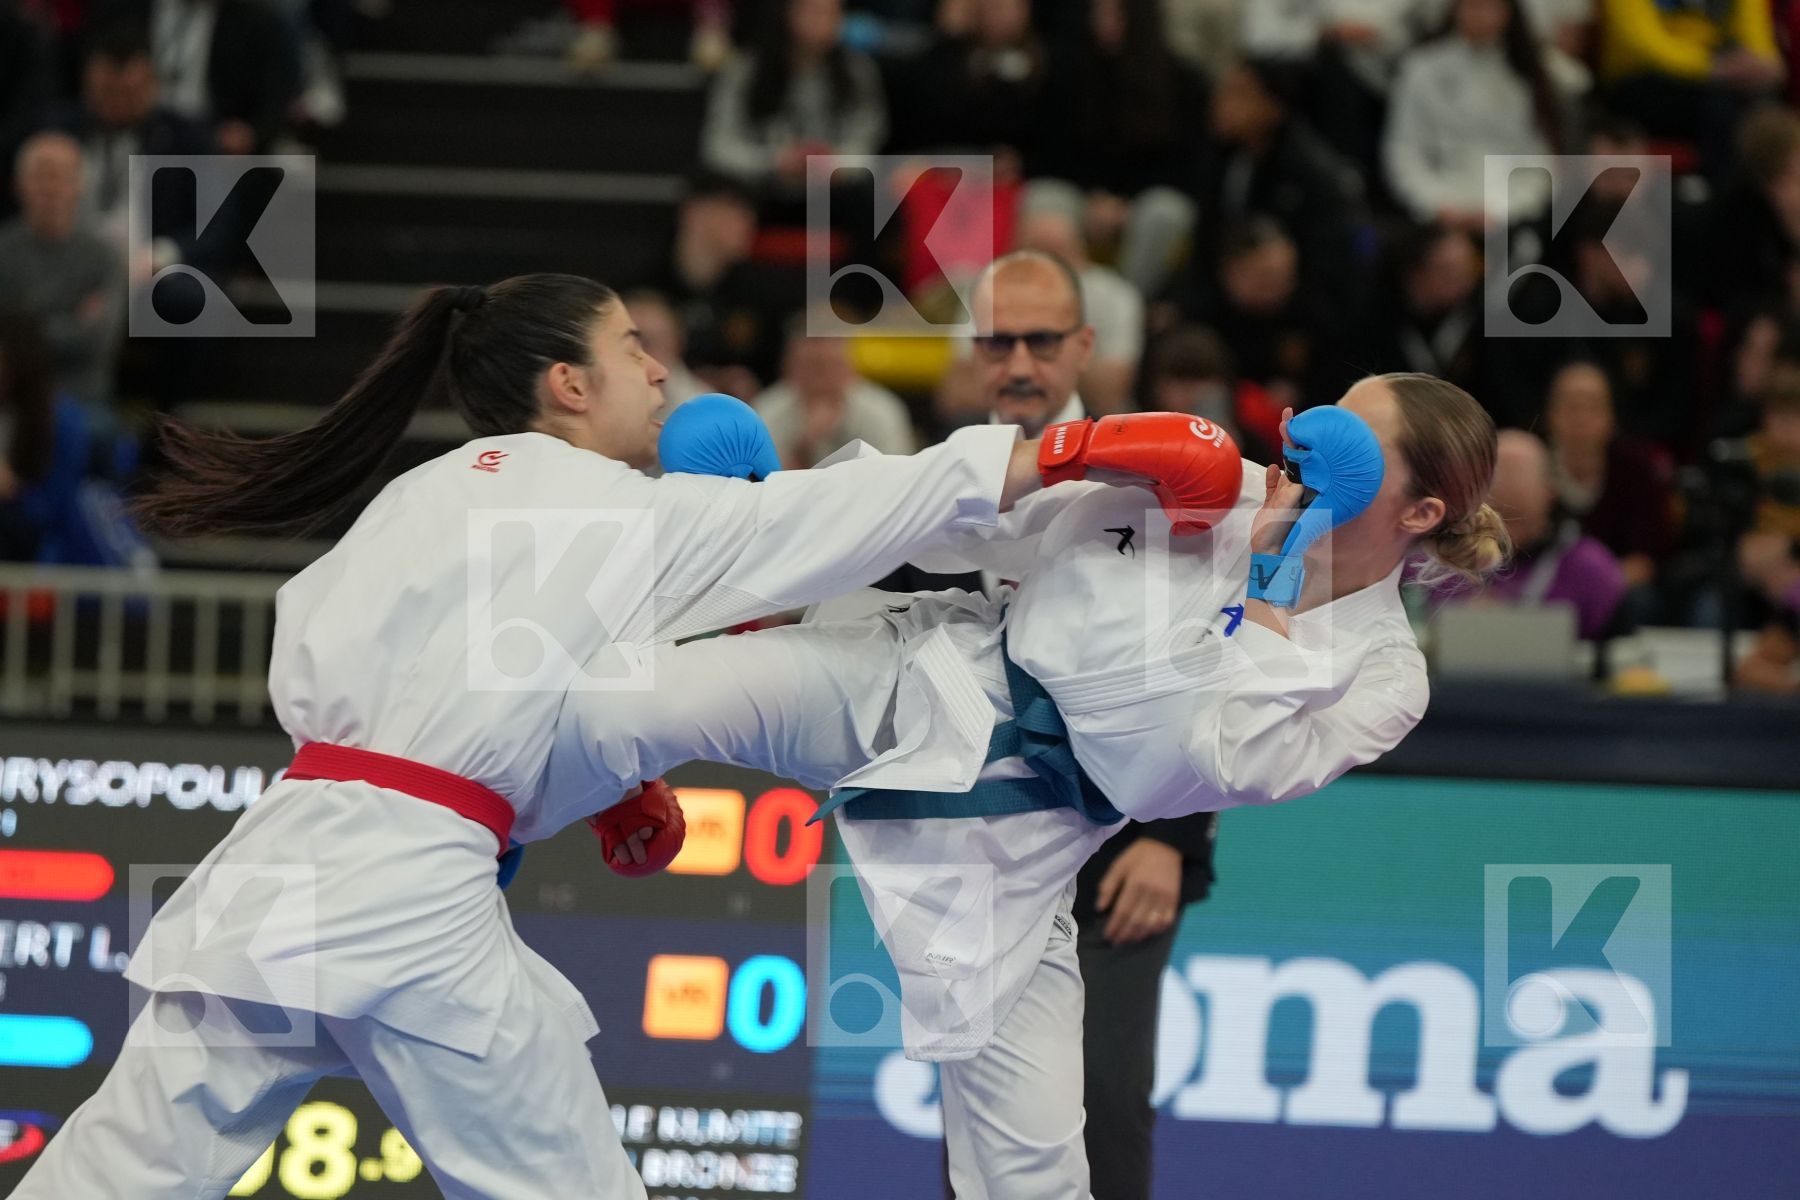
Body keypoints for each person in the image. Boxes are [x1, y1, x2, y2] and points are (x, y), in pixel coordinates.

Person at [15, 272, 1221, 1199]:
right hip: (414, 902)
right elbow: (839, 511)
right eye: (633, 348)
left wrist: (581, 783)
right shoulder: (609, 508)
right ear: (569, 384)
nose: (658, 370)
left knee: (115, 1174)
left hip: (279, 870)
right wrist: (1062, 452)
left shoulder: (418, 496)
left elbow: (409, 705)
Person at [550, 370, 1509, 1200]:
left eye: (1351, 443)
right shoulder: (1211, 478)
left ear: (1420, 512)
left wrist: (1271, 585)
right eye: (1324, 419)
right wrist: (797, 507)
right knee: (622, 706)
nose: (1307, 448)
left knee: (1036, 1181)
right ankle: (741, 601)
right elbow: (981, 525)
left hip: (1019, 853)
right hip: (911, 680)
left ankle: (768, 605)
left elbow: (1203, 766)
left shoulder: (1384, 674)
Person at [1382, 0, 1563, 231]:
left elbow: (1538, 165)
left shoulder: (1525, 76)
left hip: (1508, 214)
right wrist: (1436, 204)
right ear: (1456, 8)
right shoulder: (1422, 70)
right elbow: (1403, 152)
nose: (1482, 16)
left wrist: (1502, 210)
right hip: (1438, 210)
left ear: (1509, 13)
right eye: (1474, 5)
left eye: (1492, 7)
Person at [1438, 428, 1625, 639]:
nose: (1506, 533)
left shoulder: (1591, 570)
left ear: (1550, 492)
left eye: (1517, 516)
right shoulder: (1437, 564)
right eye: (1497, 515)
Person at [699, 0, 887, 201]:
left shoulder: (858, 72)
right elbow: (718, 148)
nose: (824, 23)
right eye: (815, 12)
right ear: (787, 14)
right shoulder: (745, 70)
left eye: (833, 14)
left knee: (875, 197)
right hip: (760, 191)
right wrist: (774, 162)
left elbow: (869, 143)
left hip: (835, 192)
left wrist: (834, 163)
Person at [0, 131, 124, 415]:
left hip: (83, 399)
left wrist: (23, 332)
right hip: (11, 402)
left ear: (80, 186)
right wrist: (71, 324)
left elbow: (97, 342)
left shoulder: (104, 257)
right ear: (18, 185)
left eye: (62, 177)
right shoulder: (3, 252)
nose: (51, 188)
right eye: (41, 176)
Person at [1542, 361, 1676, 609]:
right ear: (1551, 414)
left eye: (1592, 406)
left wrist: (1594, 586)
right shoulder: (1532, 468)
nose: (1581, 417)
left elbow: (1647, 559)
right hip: (1540, 590)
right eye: (1571, 406)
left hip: (1617, 590)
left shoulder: (1637, 470)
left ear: (1611, 417)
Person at [755, 314, 918, 465]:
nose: (821, 378)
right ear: (789, 365)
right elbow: (762, 479)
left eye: (830, 366)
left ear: (851, 366)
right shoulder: (769, 409)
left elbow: (895, 474)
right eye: (812, 365)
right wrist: (804, 448)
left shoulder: (881, 410)